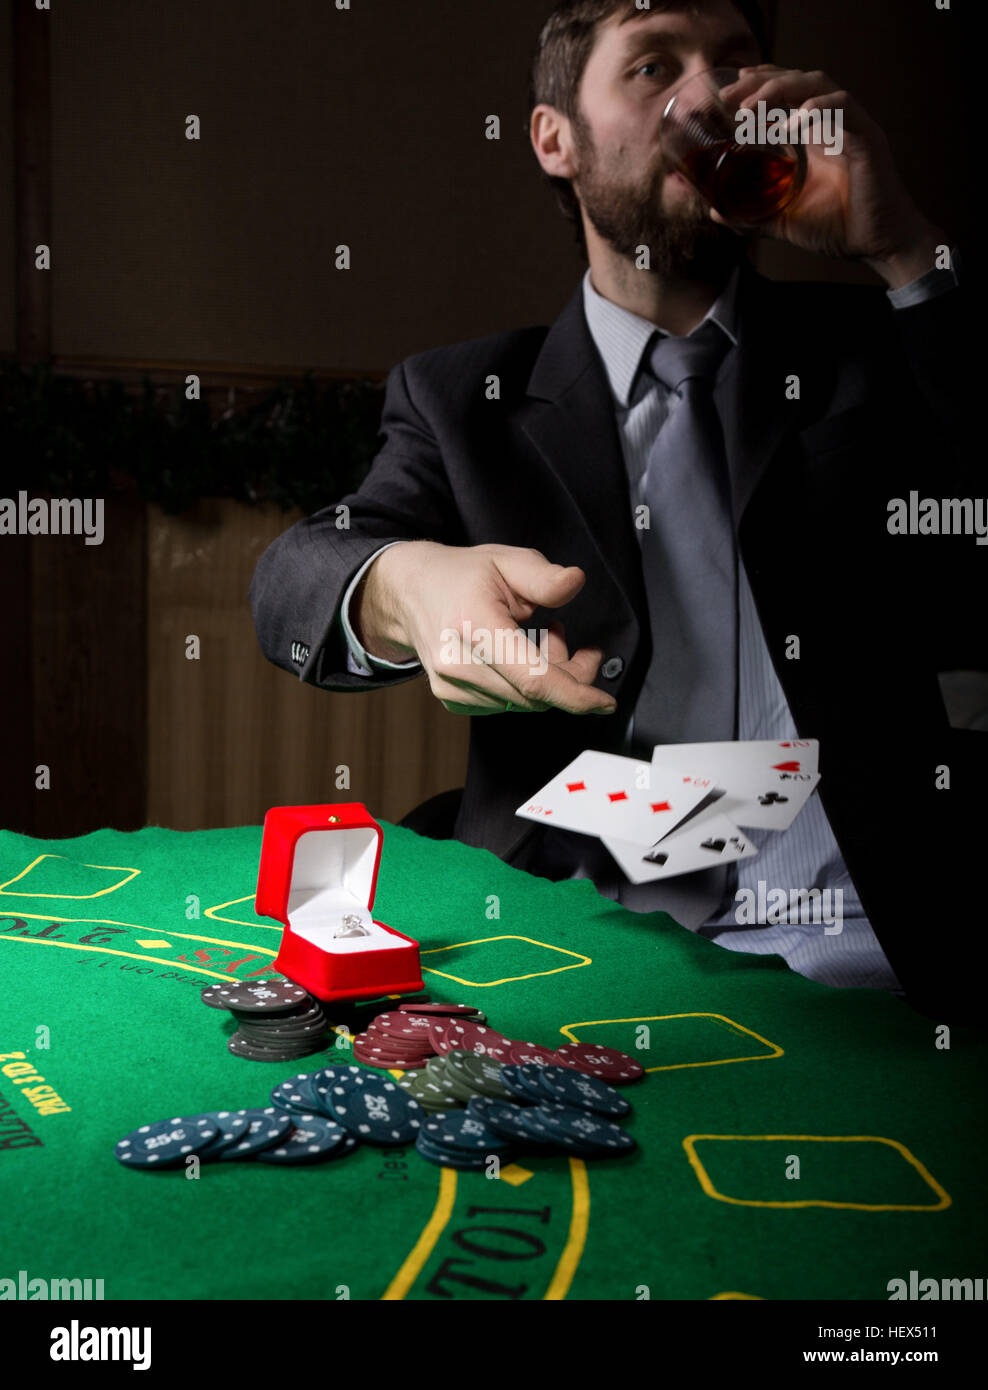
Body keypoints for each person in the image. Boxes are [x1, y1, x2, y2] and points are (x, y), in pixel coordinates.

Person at [250, 0, 979, 1020]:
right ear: (555, 139)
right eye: (651, 68)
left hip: (875, 946)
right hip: (584, 953)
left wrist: (903, 247)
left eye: (733, 65)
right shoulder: (465, 396)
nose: (709, 97)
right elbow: (295, 574)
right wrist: (402, 586)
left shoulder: (883, 342)